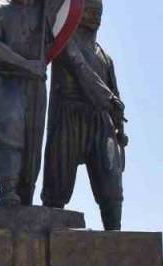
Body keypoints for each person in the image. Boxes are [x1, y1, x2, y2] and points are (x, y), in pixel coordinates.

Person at [40, 0, 125, 230]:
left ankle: (115, 238)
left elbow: (115, 93)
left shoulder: (105, 56)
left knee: (111, 183)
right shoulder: (63, 42)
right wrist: (110, 99)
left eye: (99, 10)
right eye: (90, 8)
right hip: (69, 117)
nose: (95, 14)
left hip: (101, 121)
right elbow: (80, 68)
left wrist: (120, 131)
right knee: (57, 187)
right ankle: (49, 237)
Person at [0, 0, 65, 206]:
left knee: (32, 146)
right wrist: (25, 64)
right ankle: (7, 192)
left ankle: (25, 199)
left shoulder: (44, 10)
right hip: (5, 80)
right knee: (10, 133)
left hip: (35, 84)